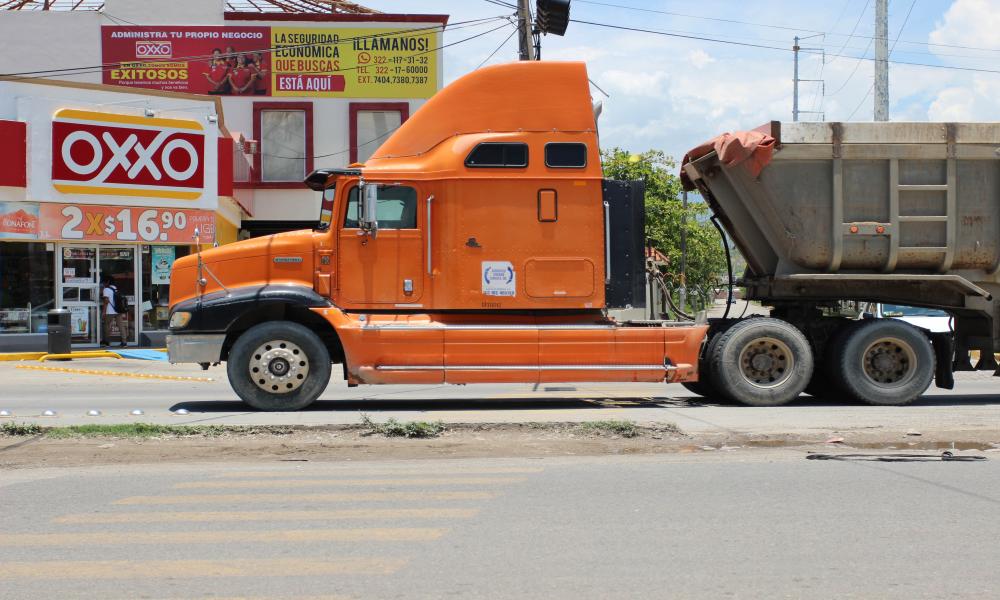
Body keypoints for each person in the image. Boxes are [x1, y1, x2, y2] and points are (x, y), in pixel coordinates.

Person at [101, 275, 127, 348]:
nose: (103, 284)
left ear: (107, 282)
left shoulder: (106, 289)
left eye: (104, 282)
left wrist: (103, 312)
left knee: (106, 325)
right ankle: (124, 342)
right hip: (118, 310)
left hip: (110, 311)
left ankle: (107, 342)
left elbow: (106, 301)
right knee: (121, 325)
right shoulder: (115, 288)